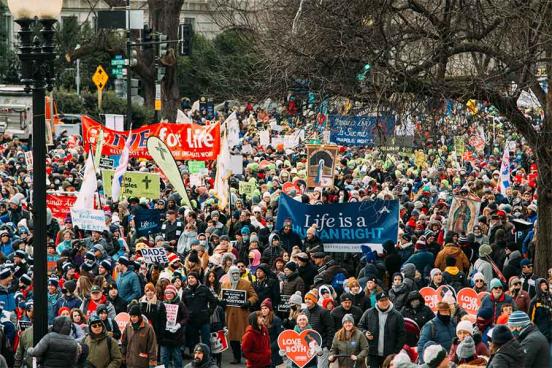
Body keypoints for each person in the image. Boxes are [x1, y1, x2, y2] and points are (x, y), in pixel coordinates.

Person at [220, 265, 259, 365]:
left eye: (237, 273)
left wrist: (248, 302)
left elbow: (254, 296)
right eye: (233, 273)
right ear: (229, 274)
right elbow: (221, 297)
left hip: (242, 314)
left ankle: (247, 357)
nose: (236, 275)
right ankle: (236, 357)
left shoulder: (246, 283)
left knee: (245, 337)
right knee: (232, 337)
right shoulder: (225, 284)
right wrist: (221, 302)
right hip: (230, 315)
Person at [358, 291, 405, 368]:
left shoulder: (397, 315)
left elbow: (402, 334)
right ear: (377, 302)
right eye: (381, 300)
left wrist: (396, 351)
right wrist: (365, 332)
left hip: (389, 354)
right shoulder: (369, 313)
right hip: (372, 353)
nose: (384, 302)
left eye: (386, 299)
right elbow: (360, 326)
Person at [182, 271, 218, 352]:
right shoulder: (185, 291)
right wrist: (187, 315)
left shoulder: (204, 289)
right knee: (194, 342)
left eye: (192, 278)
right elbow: (183, 306)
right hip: (191, 321)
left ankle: (208, 358)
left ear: (197, 279)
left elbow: (213, 301)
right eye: (189, 278)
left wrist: (209, 312)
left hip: (204, 320)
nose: (191, 280)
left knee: (206, 341)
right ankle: (197, 359)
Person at [159, 284, 189, 368]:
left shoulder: (180, 304)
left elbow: (186, 317)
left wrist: (178, 325)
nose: (168, 294)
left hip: (177, 337)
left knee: (177, 358)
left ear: (174, 294)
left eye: (170, 293)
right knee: (163, 359)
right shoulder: (162, 304)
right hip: (165, 336)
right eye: (167, 293)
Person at [304, 290, 335, 368]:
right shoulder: (304, 312)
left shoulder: (323, 312)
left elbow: (330, 328)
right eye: (306, 298)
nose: (307, 300)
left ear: (314, 300)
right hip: (309, 347)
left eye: (309, 299)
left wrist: (328, 345)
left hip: (322, 345)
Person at [121, 303, 158, 368]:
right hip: (130, 362)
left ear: (139, 316)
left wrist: (152, 362)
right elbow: (124, 342)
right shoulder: (128, 326)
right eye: (131, 316)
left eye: (134, 316)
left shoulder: (148, 328)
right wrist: (123, 356)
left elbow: (152, 346)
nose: (132, 318)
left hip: (142, 362)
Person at [259, 298, 283, 367]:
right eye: (262, 308)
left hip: (273, 350)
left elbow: (280, 336)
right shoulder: (260, 319)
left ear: (270, 309)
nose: (263, 310)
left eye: (265, 308)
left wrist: (270, 347)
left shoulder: (276, 320)